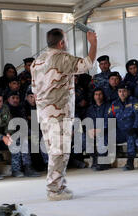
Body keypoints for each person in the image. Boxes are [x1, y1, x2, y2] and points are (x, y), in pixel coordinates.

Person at [31, 28, 97, 201]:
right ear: (61, 43)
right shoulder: (61, 58)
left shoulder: (36, 62)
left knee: (55, 150)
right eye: (66, 40)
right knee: (59, 152)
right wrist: (93, 43)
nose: (66, 43)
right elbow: (88, 63)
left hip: (44, 113)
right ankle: (54, 190)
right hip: (58, 112)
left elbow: (34, 90)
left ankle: (58, 185)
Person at [106, 83, 138, 171]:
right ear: (117, 93)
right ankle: (105, 161)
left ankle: (130, 161)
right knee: (107, 137)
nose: (122, 93)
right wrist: (108, 129)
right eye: (120, 91)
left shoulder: (134, 101)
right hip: (120, 132)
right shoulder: (114, 104)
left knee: (131, 136)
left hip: (132, 130)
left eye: (124, 91)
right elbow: (110, 117)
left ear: (128, 92)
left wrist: (135, 127)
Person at [5, 90, 40, 178]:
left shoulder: (20, 108)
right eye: (13, 98)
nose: (15, 100)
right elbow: (6, 125)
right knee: (17, 140)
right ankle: (16, 169)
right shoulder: (5, 109)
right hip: (7, 133)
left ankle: (29, 166)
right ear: (8, 100)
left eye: (17, 98)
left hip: (20, 130)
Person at [85, 87, 110, 171]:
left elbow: (109, 119)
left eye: (100, 94)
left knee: (101, 137)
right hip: (94, 131)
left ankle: (103, 162)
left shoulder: (108, 106)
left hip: (106, 130)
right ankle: (95, 158)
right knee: (83, 138)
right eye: (96, 94)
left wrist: (100, 130)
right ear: (93, 96)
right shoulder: (90, 108)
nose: (98, 96)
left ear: (103, 95)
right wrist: (90, 130)